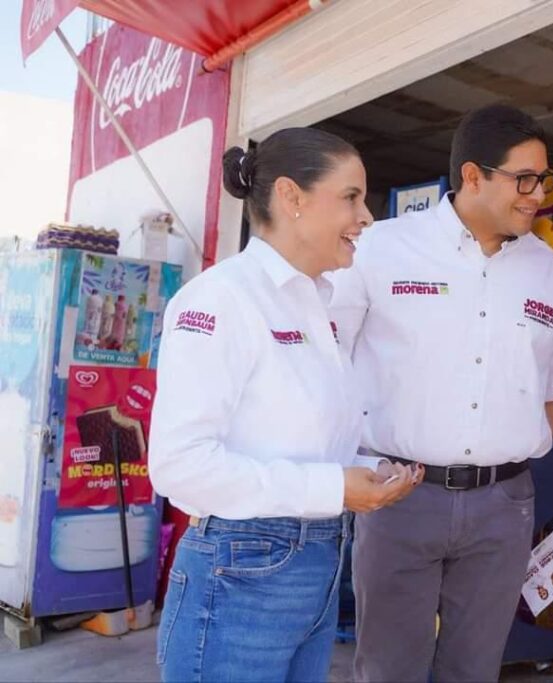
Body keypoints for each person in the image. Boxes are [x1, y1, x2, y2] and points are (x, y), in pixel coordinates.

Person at [330, 104, 553, 683]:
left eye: (544, 180)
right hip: (399, 495)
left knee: (475, 668)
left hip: (503, 505)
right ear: (474, 176)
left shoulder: (551, 274)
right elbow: (324, 360)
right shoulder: (381, 250)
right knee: (388, 668)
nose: (538, 195)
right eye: (524, 179)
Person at [149, 127, 422, 683]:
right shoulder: (220, 298)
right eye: (350, 197)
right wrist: (333, 488)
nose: (365, 216)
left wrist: (367, 471)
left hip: (316, 561)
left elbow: (298, 440)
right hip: (241, 574)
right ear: (291, 197)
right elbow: (180, 466)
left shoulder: (317, 304)